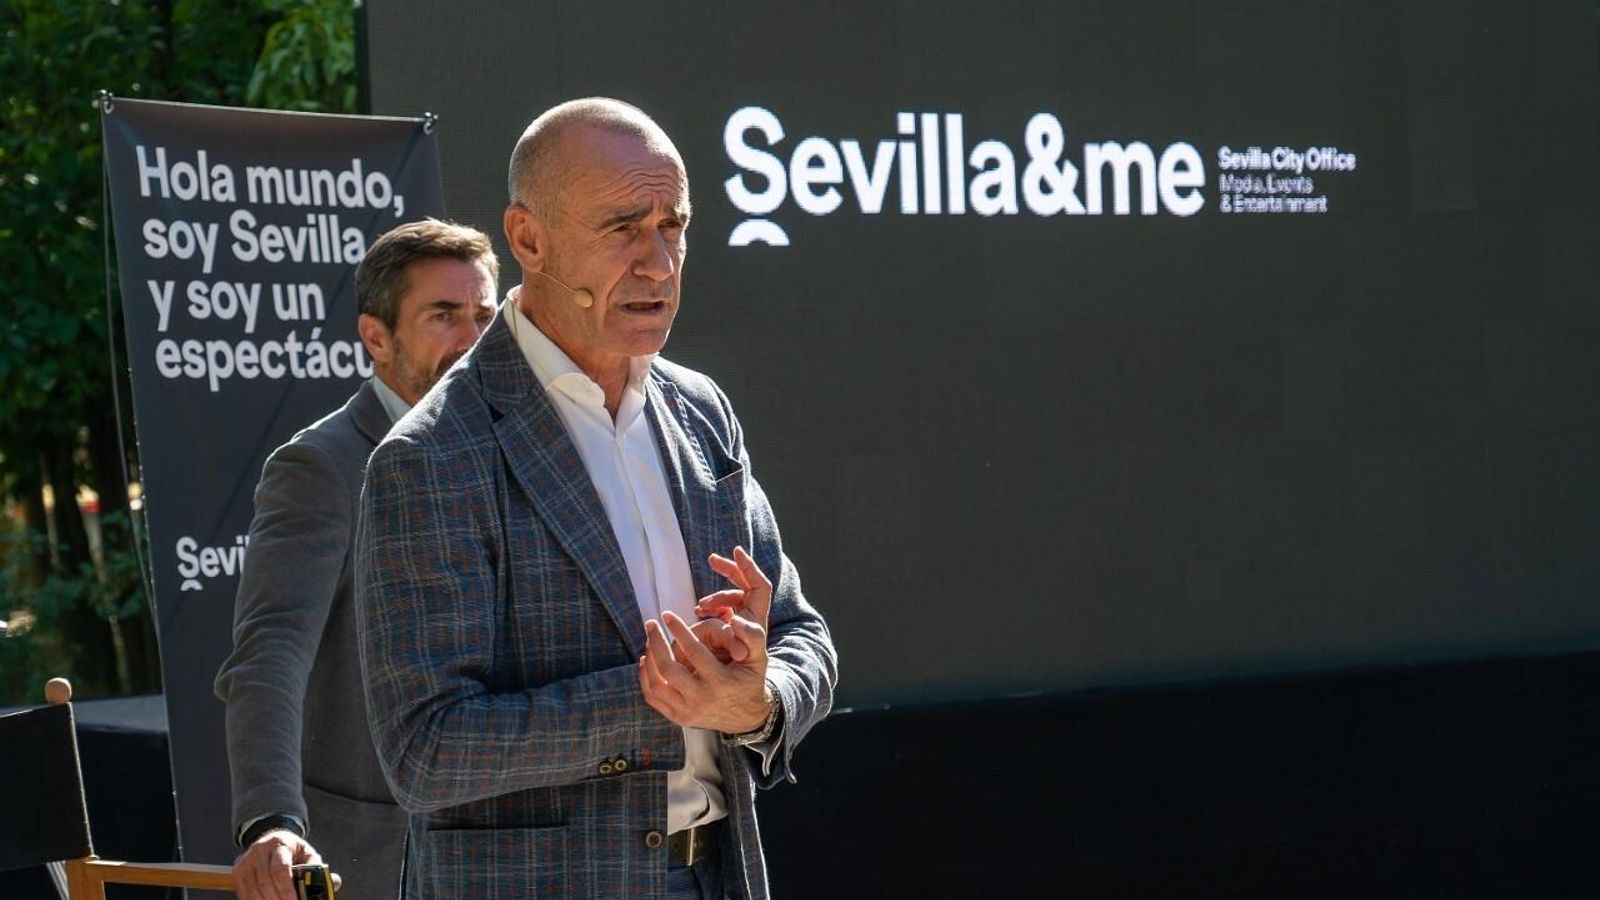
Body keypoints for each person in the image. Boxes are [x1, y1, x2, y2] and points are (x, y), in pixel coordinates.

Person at [354, 98, 838, 899]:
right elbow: (425, 750)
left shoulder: (701, 411)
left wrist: (758, 700)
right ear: (528, 239)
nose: (659, 261)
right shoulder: (432, 456)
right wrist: (659, 701)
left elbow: (800, 635)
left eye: (673, 225)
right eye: (622, 228)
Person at [214, 219, 499, 900]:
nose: (473, 340)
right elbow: (271, 651)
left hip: (521, 851)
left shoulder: (524, 447)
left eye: (487, 317)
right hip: (381, 861)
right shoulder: (324, 465)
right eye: (444, 315)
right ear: (377, 337)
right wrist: (270, 820)